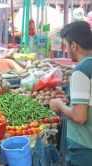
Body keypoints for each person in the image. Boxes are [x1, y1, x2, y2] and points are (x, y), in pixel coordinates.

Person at [49, 21, 92, 166]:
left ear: (74, 45)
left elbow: (80, 117)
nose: (66, 50)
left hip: (84, 150)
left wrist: (60, 105)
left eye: (66, 45)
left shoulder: (81, 70)